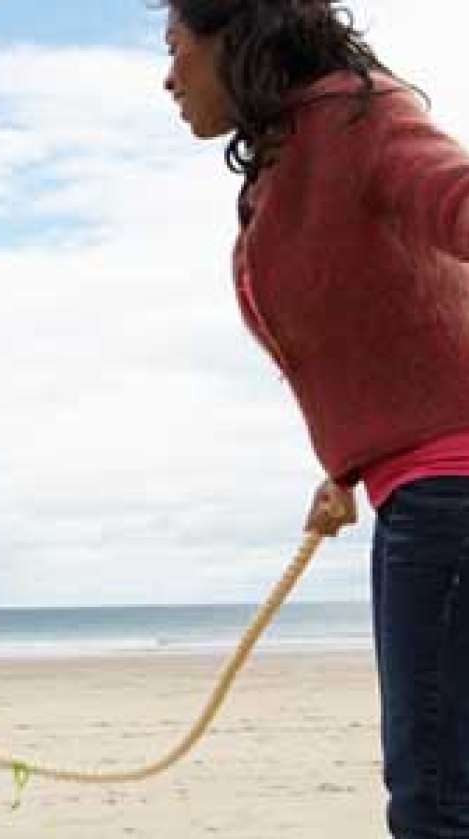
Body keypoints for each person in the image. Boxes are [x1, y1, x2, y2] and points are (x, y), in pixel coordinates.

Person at [162, 1, 469, 835]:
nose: (167, 79)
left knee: (436, 799)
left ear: (234, 39)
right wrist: (348, 462)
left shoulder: (360, 115)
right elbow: (384, 326)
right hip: (416, 491)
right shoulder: (292, 157)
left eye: (175, 49)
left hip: (449, 499)